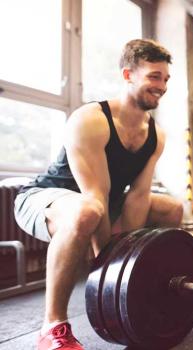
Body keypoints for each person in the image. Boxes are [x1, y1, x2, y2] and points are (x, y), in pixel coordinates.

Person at [13, 39, 183, 350]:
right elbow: (97, 195)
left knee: (171, 209)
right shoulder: (90, 120)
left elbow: (138, 196)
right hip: (45, 197)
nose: (162, 86)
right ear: (128, 75)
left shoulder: (156, 135)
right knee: (87, 210)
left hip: (101, 201)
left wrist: (131, 275)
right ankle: (52, 327)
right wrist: (107, 273)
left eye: (166, 79)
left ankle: (151, 294)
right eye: (154, 77)